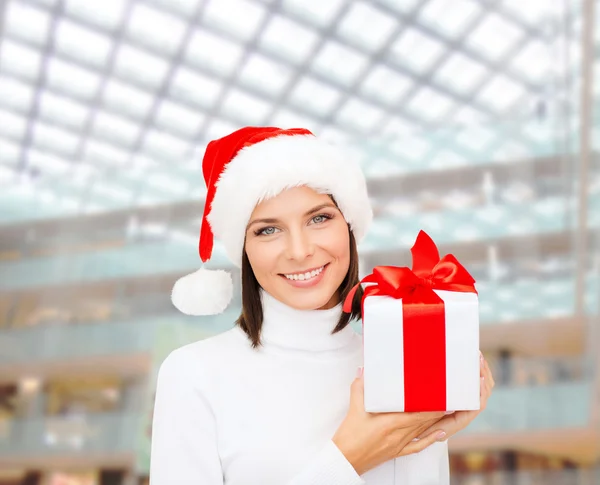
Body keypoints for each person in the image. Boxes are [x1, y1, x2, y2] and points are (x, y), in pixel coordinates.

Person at [149, 127, 495, 485]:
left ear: (349, 225)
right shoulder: (194, 374)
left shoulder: (400, 361)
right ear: (244, 250)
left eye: (319, 218)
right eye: (267, 230)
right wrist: (349, 458)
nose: (299, 251)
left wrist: (434, 429)